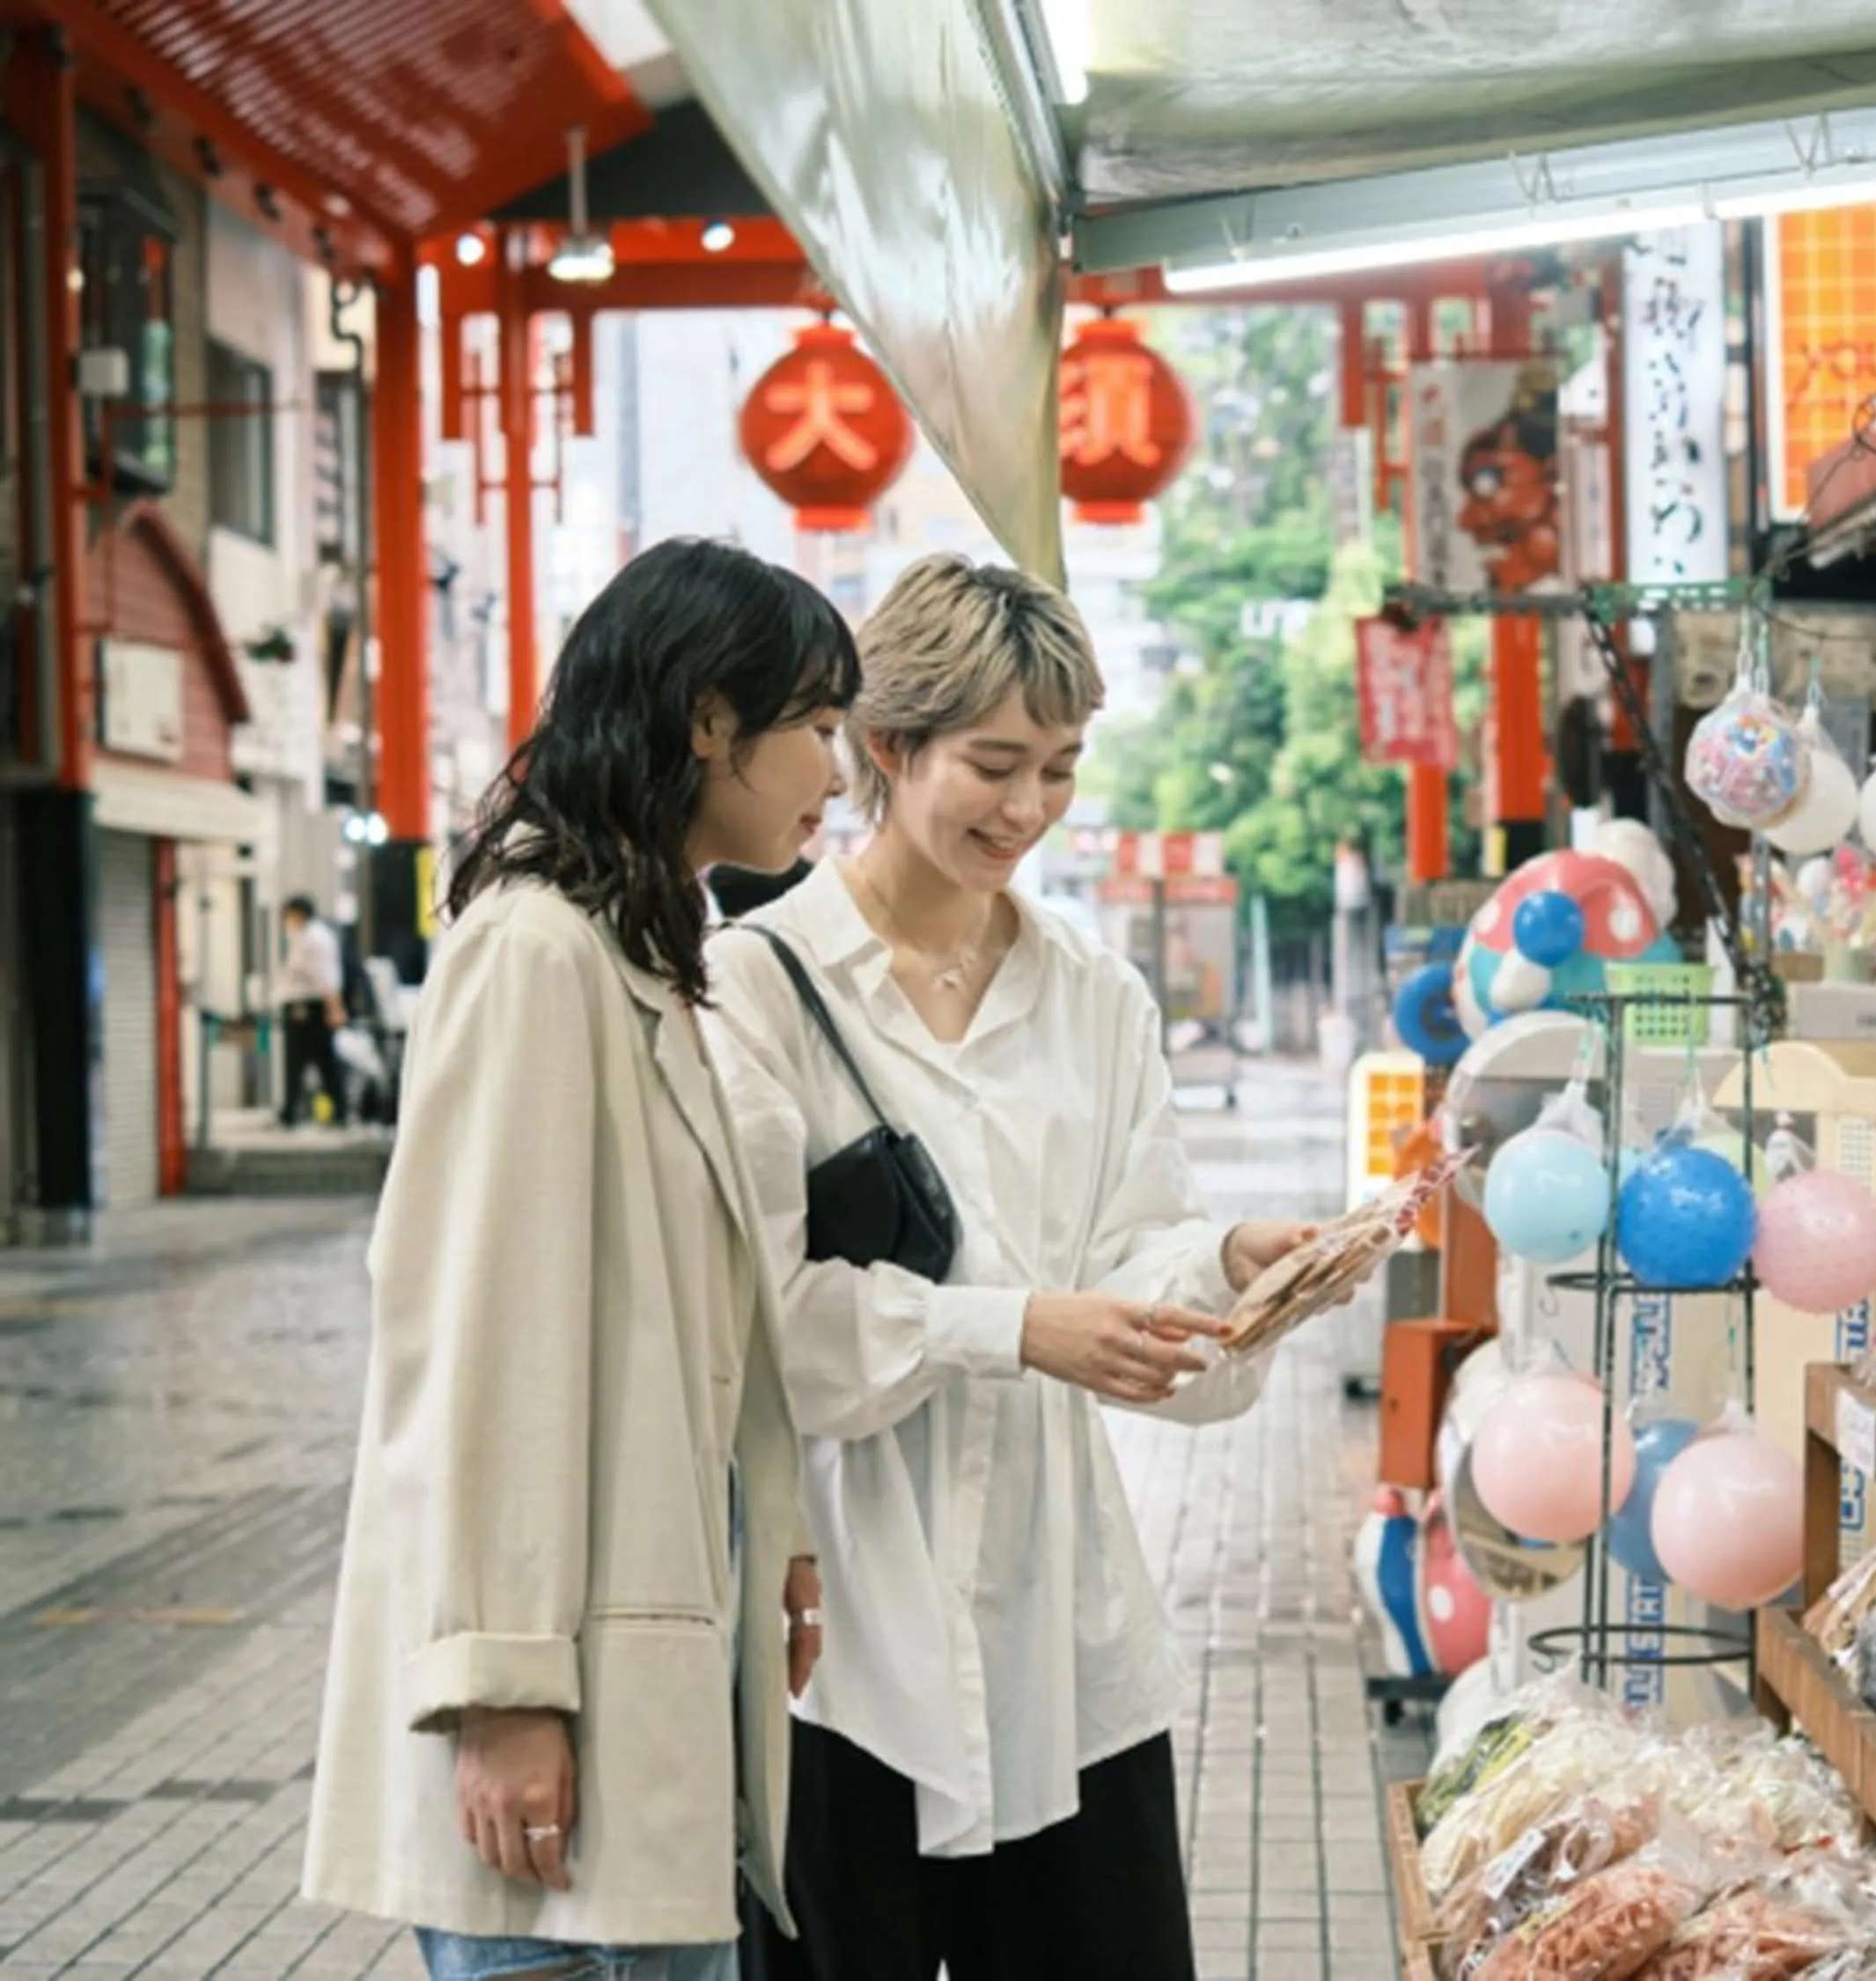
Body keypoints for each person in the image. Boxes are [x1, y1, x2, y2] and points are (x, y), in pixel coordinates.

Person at [705, 554, 1317, 1981]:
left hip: (1070, 1648)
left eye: (1058, 767)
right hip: (841, 1655)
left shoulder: (1093, 995)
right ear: (884, 744)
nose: (1029, 810)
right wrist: (1016, 1328)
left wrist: (1236, 1268)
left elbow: (1135, 1265)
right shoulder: (760, 986)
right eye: (993, 764)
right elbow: (751, 1329)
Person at [303, 538, 856, 1981]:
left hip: (638, 1675)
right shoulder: (536, 952)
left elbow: (695, 1327)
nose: (837, 771)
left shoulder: (636, 948)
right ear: (706, 721)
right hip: (559, 1719)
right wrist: (502, 1692)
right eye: (817, 726)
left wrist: (775, 1536)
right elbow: (483, 1342)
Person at [278, 895, 349, 1127]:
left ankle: (296, 1112)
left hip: (309, 1008)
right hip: (308, 1006)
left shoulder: (314, 939)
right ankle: (332, 1110)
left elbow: (325, 978)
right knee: (320, 1061)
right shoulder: (307, 936)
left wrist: (334, 1008)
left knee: (310, 1061)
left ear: (298, 914)